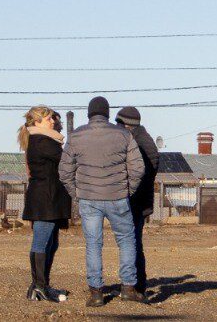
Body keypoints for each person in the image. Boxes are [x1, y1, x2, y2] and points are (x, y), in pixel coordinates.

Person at [58, 96, 147, 306]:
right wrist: (128, 190)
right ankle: (128, 287)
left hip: (89, 198)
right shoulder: (124, 135)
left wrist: (77, 193)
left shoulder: (76, 136)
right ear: (107, 113)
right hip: (118, 197)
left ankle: (96, 293)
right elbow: (138, 168)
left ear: (89, 113)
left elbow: (64, 172)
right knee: (126, 241)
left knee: (93, 244)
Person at [18, 106, 73, 302]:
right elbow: (67, 160)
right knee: (42, 242)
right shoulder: (42, 141)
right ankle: (39, 286)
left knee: (51, 242)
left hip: (49, 198)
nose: (53, 122)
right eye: (49, 119)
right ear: (37, 122)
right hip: (45, 200)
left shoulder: (44, 140)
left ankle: (42, 285)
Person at [115, 106, 160, 294]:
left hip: (136, 201)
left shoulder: (139, 141)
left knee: (132, 243)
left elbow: (144, 171)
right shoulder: (141, 138)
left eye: (118, 123)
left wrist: (130, 188)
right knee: (133, 242)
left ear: (127, 124)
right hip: (139, 200)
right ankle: (134, 284)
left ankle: (136, 285)